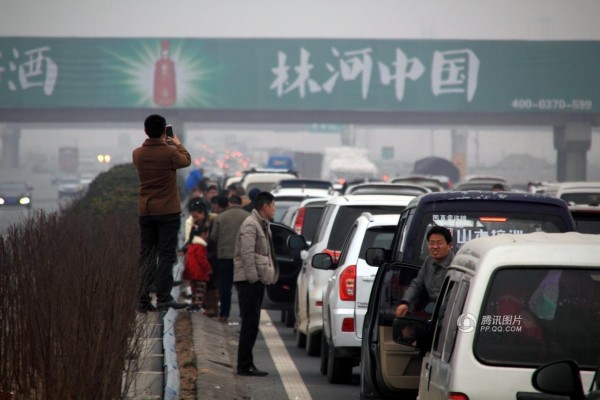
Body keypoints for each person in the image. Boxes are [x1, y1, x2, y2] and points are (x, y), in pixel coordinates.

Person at [133, 114, 191, 312]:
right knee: (166, 255)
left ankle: (143, 299)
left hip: (146, 211)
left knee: (146, 255)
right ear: (164, 132)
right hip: (167, 211)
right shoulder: (170, 153)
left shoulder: (137, 154)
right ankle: (164, 298)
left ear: (145, 131)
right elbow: (186, 160)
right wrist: (176, 142)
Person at [233, 191, 278, 376]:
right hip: (249, 281)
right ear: (265, 206)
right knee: (249, 324)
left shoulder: (262, 224)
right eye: (273, 205)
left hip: (256, 280)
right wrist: (253, 279)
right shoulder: (251, 225)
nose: (274, 209)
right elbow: (247, 254)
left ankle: (247, 363)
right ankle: (244, 365)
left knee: (252, 323)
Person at [395, 226, 454, 317]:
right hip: (432, 308)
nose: (435, 247)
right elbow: (417, 284)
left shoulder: (455, 265)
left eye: (439, 243)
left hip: (450, 311)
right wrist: (405, 302)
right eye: (431, 243)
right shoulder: (429, 261)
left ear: (449, 246)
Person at [210, 195, 250, 323]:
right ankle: (244, 314)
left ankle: (224, 314)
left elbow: (214, 237)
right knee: (243, 288)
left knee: (225, 286)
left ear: (229, 203)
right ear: (240, 204)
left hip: (225, 257)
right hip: (243, 258)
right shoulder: (248, 217)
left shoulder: (220, 217)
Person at [183, 224, 212, 313]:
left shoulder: (192, 245)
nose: (207, 236)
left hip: (191, 271)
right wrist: (208, 269)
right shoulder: (200, 246)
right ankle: (198, 306)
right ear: (203, 234)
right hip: (199, 272)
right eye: (207, 233)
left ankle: (193, 305)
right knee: (200, 289)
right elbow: (202, 260)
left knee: (194, 289)